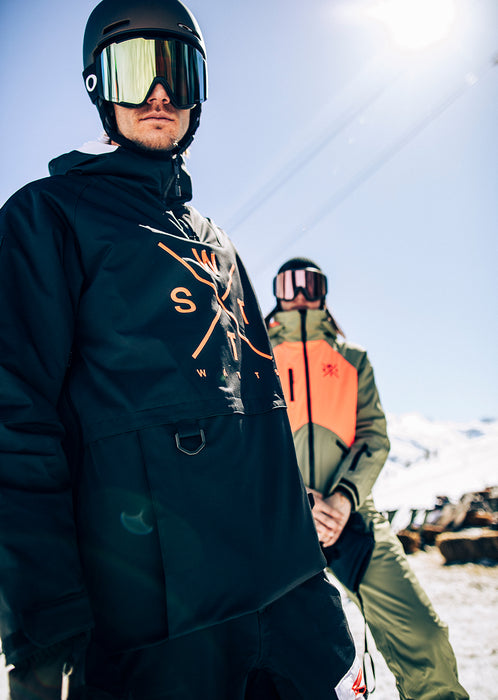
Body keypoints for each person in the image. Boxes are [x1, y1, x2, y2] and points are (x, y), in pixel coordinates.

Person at [0, 3, 364, 699]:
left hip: (291, 600)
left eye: (177, 69)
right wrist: (44, 625)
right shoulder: (48, 217)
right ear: (98, 87)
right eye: (133, 69)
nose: (158, 92)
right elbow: (13, 418)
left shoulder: (217, 241)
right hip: (161, 622)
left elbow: (262, 416)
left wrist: (315, 558)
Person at [266, 257, 469, 700]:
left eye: (309, 283)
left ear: (323, 292)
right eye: (287, 284)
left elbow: (374, 436)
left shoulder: (351, 358)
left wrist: (342, 499)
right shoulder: (256, 355)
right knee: (274, 657)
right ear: (275, 292)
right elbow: (245, 437)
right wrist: (298, 498)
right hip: (279, 519)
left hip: (353, 513)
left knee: (424, 635)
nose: (298, 293)